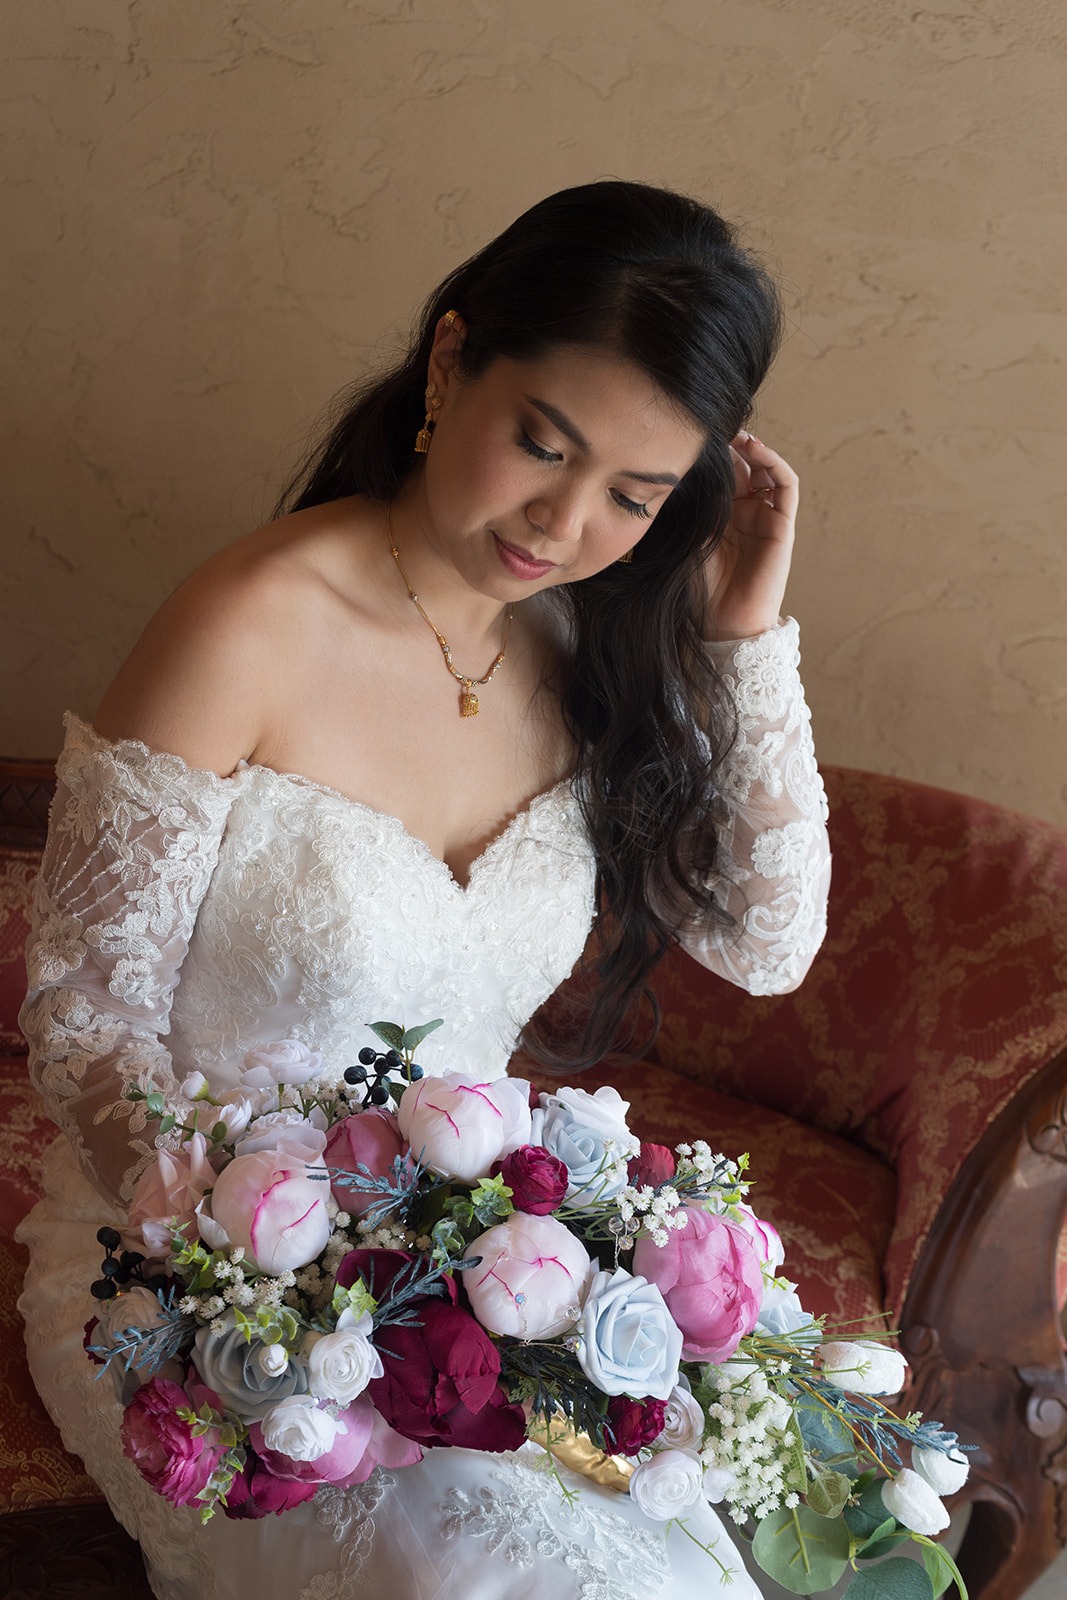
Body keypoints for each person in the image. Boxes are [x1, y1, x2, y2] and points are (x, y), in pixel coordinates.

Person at [18, 180, 831, 1600]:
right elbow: (83, 1010)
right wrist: (249, 1253)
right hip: (200, 1283)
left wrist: (745, 633)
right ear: (451, 363)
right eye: (543, 445)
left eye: (633, 498)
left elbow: (767, 941)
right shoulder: (249, 623)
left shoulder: (593, 654)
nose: (564, 523)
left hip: (488, 1277)